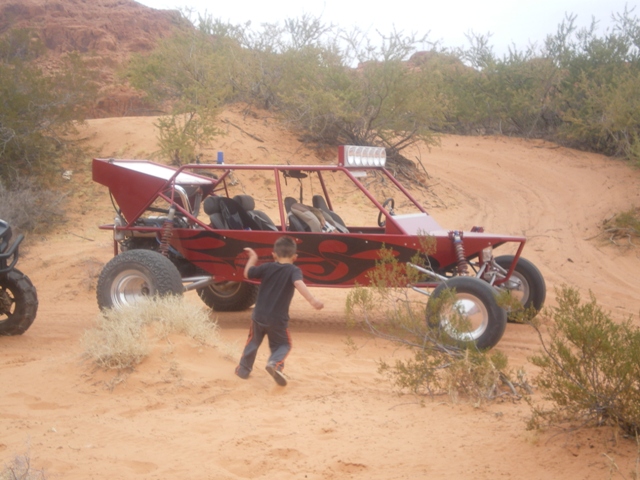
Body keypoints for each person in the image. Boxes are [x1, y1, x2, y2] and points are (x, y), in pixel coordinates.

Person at [235, 236, 324, 386]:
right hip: (277, 319)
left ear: (274, 255)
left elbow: (248, 273)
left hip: (258, 315)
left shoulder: (267, 267)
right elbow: (298, 282)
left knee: (253, 342)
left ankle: (243, 370)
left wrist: (253, 257)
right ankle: (275, 364)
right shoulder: (294, 270)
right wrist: (312, 300)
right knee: (283, 345)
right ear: (295, 257)